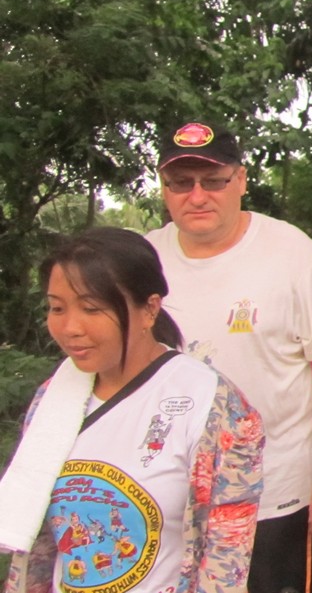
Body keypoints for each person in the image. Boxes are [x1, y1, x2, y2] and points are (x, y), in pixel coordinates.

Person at [146, 121, 312, 593]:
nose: (197, 196)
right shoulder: (143, 260)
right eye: (181, 183)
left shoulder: (292, 253)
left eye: (213, 180)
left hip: (274, 492)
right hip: (170, 498)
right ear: (164, 187)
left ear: (240, 180)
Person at [0, 227, 264, 593]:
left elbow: (226, 562)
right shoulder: (52, 399)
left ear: (150, 309)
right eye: (57, 308)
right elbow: (37, 540)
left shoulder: (214, 406)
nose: (70, 327)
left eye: (91, 308)